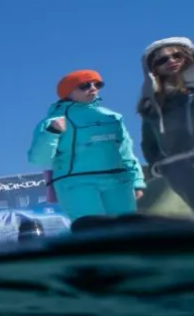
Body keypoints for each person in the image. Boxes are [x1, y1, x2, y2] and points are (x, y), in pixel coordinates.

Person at [27, 69, 145, 221]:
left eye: (97, 84)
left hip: (118, 182)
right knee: (93, 232)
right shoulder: (52, 122)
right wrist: (51, 132)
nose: (93, 88)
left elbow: (125, 151)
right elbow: (39, 160)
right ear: (67, 92)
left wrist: (136, 181)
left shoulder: (113, 117)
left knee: (126, 231)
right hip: (77, 183)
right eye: (84, 86)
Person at [137, 38, 194, 208]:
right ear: (153, 69)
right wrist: (159, 165)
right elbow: (148, 142)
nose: (171, 61)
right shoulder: (152, 105)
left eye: (177, 55)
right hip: (179, 169)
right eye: (162, 60)